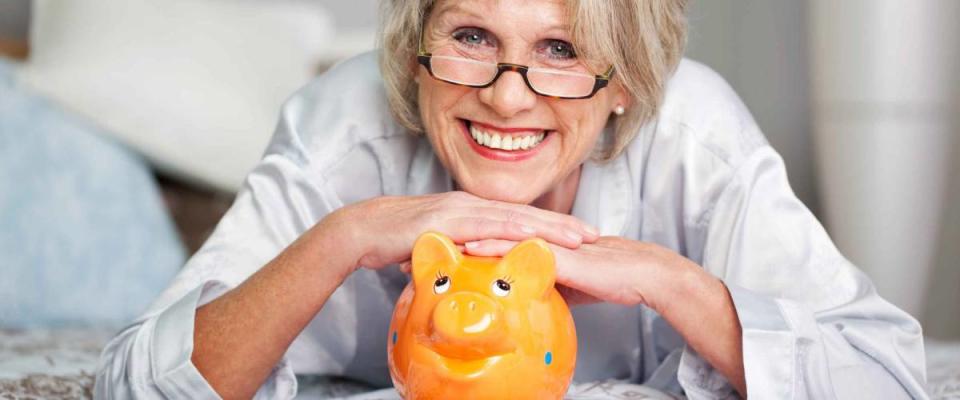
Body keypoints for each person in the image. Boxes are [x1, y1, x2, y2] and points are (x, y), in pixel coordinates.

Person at [94, 0, 928, 398]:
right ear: (415, 49)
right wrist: (343, 238)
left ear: (627, 82)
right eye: (470, 38)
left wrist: (669, 282)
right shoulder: (342, 128)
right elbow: (136, 387)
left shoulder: (696, 138)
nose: (505, 98)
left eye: (560, 50)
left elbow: (889, 381)